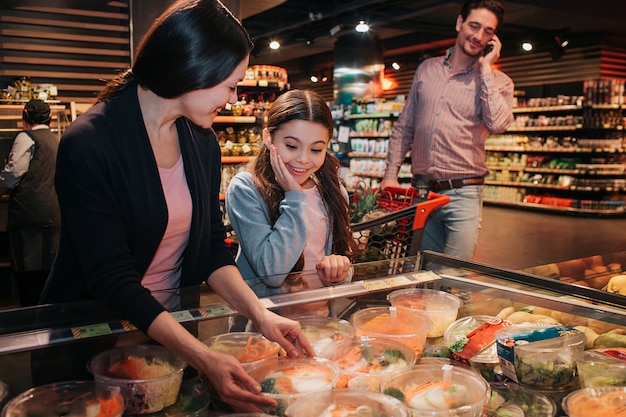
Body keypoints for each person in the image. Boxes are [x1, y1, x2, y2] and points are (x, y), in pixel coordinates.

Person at [39, 0, 313, 413]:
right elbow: (111, 278)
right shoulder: (91, 142)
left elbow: (209, 249)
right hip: (91, 339)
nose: (235, 98)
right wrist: (203, 357)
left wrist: (262, 315)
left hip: (167, 340)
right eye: (230, 84)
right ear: (194, 68)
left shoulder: (201, 141)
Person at [380, 0, 514, 260]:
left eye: (487, 31)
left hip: (463, 193)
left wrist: (486, 69)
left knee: (454, 275)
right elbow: (404, 127)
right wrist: (389, 175)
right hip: (422, 191)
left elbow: (498, 124)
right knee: (425, 273)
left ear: (493, 38)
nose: (478, 36)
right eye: (474, 26)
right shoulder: (427, 70)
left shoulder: (499, 82)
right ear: (459, 22)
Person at [226, 89, 358, 329]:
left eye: (316, 149)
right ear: (269, 138)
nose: (303, 159)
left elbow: (341, 259)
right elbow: (272, 271)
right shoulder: (246, 188)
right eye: (291, 146)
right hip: (260, 331)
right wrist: (295, 196)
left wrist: (340, 270)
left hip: (318, 326)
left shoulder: (333, 190)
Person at [0, 99, 60, 307]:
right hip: (53, 217)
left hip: (27, 219)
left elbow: (12, 174)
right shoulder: (56, 141)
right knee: (47, 277)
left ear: (25, 118)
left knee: (27, 280)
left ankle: (30, 328)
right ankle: (48, 326)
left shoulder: (26, 137)